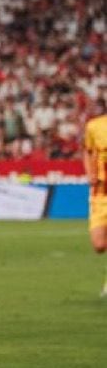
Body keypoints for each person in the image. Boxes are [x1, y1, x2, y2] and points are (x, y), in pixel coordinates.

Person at [82, 110, 107, 296]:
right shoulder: (94, 125)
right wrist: (90, 172)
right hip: (100, 194)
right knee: (99, 245)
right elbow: (87, 151)